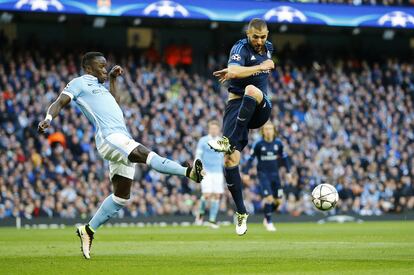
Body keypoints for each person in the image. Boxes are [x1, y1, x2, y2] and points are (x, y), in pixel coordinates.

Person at [37, 52, 204, 259]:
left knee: (121, 197)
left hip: (121, 138)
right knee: (144, 153)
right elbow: (60, 101)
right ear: (89, 68)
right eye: (101, 66)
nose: (105, 70)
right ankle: (189, 172)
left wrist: (114, 80)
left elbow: (115, 103)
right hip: (109, 138)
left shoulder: (102, 88)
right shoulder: (79, 83)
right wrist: (48, 118)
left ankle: (88, 230)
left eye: (106, 66)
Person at [208, 18, 274, 235]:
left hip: (260, 105)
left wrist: (249, 69)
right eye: (255, 36)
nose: (259, 41)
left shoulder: (269, 48)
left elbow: (239, 72)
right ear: (248, 34)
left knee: (252, 91)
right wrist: (259, 67)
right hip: (236, 106)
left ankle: (230, 141)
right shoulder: (240, 47)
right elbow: (234, 71)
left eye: (263, 36)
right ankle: (241, 212)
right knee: (229, 159)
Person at [245, 121, 291, 231]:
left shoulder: (278, 144)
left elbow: (284, 159)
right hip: (263, 175)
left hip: (275, 175)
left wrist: (288, 172)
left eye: (270, 129)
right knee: (269, 198)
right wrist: (246, 172)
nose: (268, 131)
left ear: (274, 131)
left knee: (278, 201)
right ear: (263, 131)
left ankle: (266, 217)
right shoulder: (258, 144)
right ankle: (269, 222)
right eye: (266, 129)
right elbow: (250, 159)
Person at [194, 120, 225, 229]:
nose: (214, 130)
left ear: (218, 130)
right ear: (209, 129)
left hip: (218, 172)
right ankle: (200, 216)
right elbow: (198, 155)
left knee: (217, 195)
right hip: (206, 171)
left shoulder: (222, 142)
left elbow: (224, 158)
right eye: (212, 128)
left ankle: (212, 220)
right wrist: (199, 168)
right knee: (206, 194)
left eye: (216, 128)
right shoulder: (203, 141)